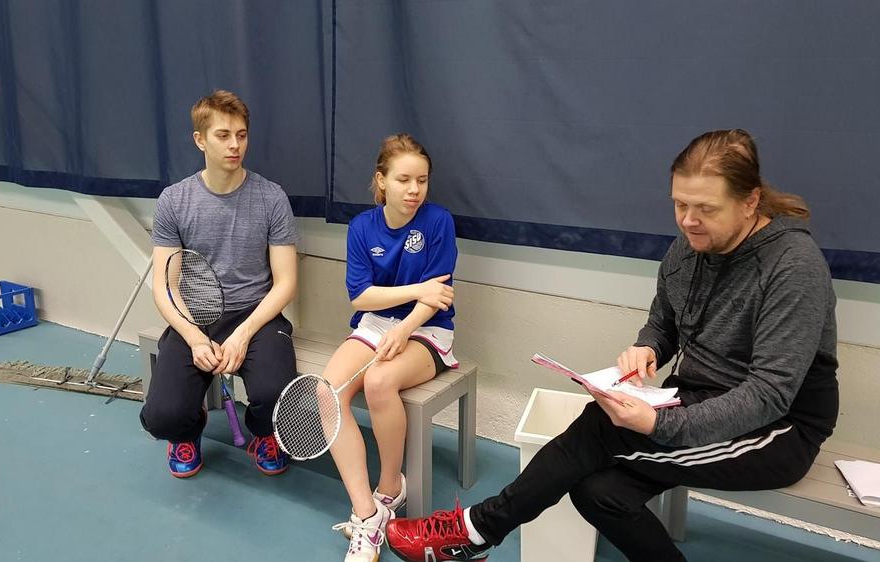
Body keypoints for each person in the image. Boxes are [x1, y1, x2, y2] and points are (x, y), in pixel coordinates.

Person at [386, 129, 839, 561]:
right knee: (599, 492)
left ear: (750, 201)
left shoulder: (793, 266)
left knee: (600, 428)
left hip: (778, 430)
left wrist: (659, 424)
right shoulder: (689, 247)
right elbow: (663, 324)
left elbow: (769, 394)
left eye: (706, 208)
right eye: (679, 204)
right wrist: (648, 349)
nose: (688, 220)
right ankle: (476, 533)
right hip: (698, 397)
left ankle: (476, 530)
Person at [140, 90, 299, 478]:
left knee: (276, 398)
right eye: (223, 135)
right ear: (200, 140)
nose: (234, 145)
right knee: (162, 417)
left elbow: (285, 283)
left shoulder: (272, 197)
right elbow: (165, 285)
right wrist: (195, 338)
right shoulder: (174, 200)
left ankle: (264, 433)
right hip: (196, 317)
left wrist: (243, 335)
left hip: (257, 317)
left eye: (241, 135)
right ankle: (187, 430)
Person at [324, 134, 459, 562]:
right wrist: (415, 291)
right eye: (403, 180)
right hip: (375, 323)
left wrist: (406, 329)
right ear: (382, 181)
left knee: (380, 382)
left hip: (428, 328)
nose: (414, 189)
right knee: (327, 394)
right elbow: (361, 297)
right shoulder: (362, 227)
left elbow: (438, 297)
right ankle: (367, 514)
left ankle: (389, 489)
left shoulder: (438, 222)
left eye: (422, 180)